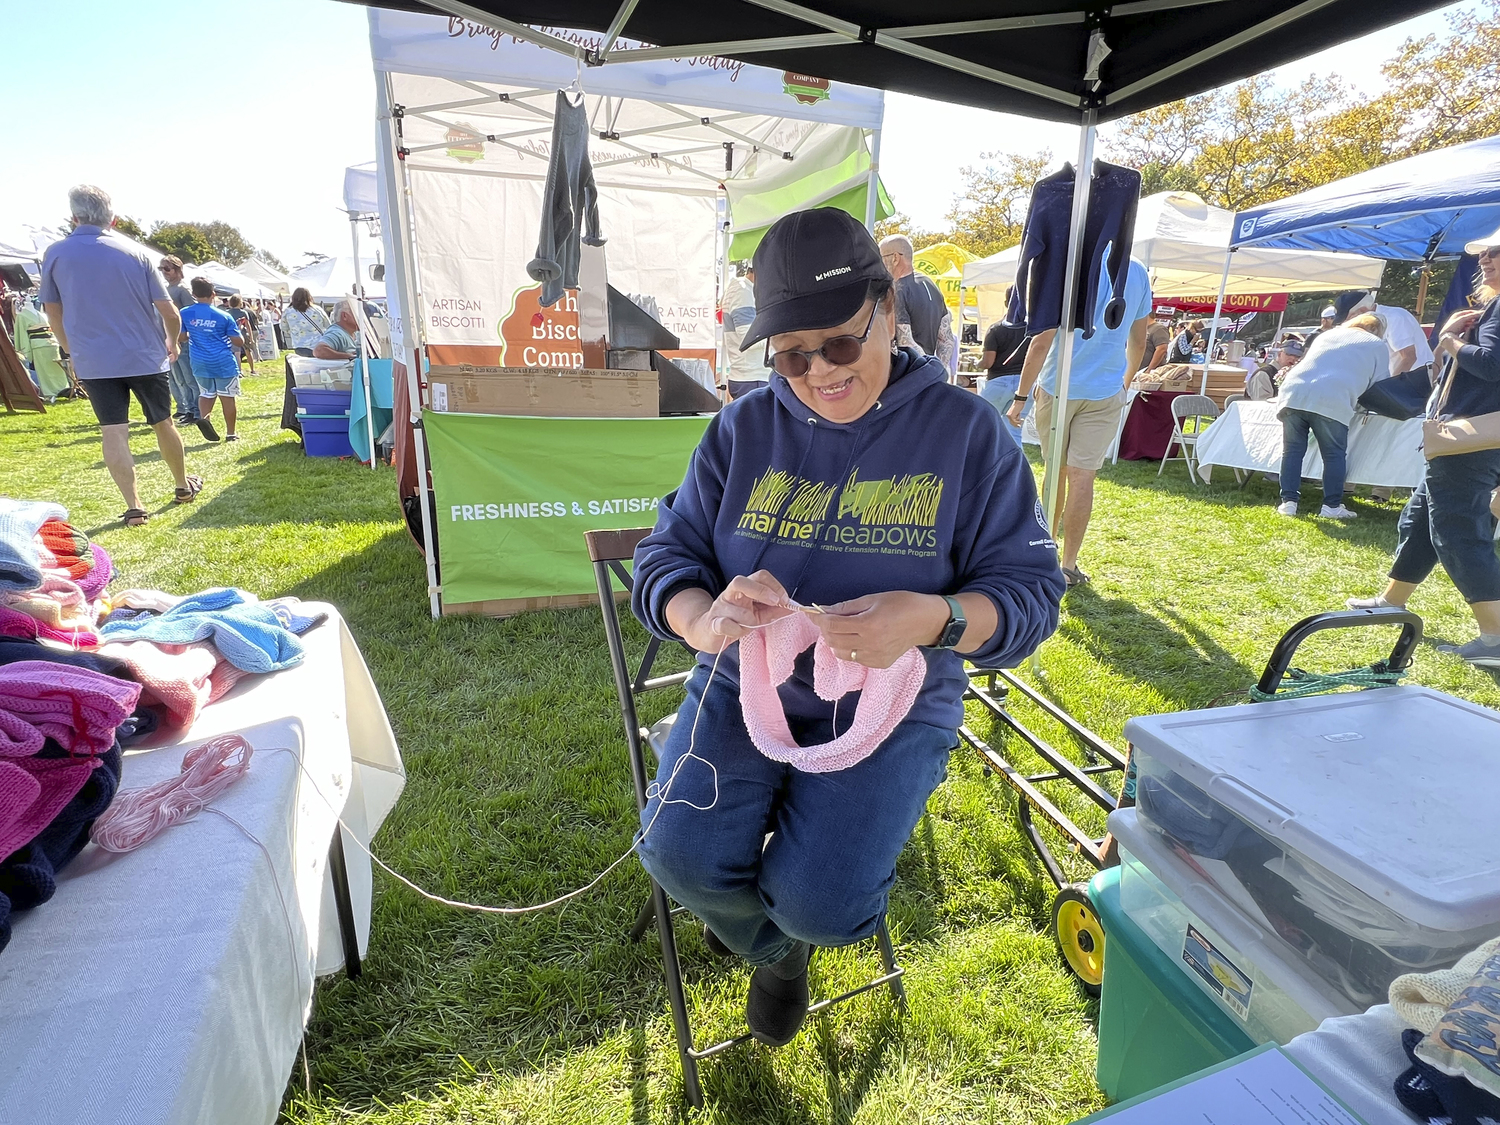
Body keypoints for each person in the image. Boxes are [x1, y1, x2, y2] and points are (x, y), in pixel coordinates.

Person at [630, 207, 1064, 1048]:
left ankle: (790, 941)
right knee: (677, 855)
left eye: (839, 344)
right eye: (792, 354)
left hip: (899, 700)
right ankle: (775, 953)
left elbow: (1032, 597)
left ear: (890, 314)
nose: (818, 373)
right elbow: (667, 554)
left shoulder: (968, 433)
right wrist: (701, 618)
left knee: (827, 907)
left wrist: (932, 617)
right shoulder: (743, 427)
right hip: (747, 677)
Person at [1347, 233, 1500, 669]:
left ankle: (1496, 634)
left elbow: (1491, 365)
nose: (1485, 259)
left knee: (1457, 531)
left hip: (1470, 437)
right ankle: (1392, 599)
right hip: (1474, 435)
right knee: (1421, 518)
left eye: (1495, 252)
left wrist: (1450, 341)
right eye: (1484, 252)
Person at [38, 185, 201, 526]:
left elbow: (52, 312)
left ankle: (134, 506)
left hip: (94, 359)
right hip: (144, 354)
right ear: (112, 218)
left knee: (113, 431)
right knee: (163, 422)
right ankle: (182, 486)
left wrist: (70, 350)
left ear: (74, 216)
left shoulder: (55, 253)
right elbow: (169, 311)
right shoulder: (135, 253)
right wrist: (172, 341)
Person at [1007, 256, 1153, 588]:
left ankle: (1044, 555)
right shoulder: (1137, 270)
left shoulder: (1069, 260)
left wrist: (1020, 396)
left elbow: (1041, 341)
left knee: (1054, 472)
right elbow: (1139, 341)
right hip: (1104, 389)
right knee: (1083, 478)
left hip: (1058, 387)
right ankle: (1069, 565)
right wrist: (1124, 382)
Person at [1274, 313, 1389, 520]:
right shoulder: (1377, 344)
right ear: (1377, 330)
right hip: (1333, 398)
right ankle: (1332, 506)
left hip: (1294, 392)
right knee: (1334, 455)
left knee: (1291, 451)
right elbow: (1381, 384)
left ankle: (1288, 502)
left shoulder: (1328, 335)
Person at [179, 277, 245, 442]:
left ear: (193, 294)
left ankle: (205, 419)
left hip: (199, 360)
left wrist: (196, 332)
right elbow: (238, 341)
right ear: (213, 294)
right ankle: (231, 433)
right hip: (223, 361)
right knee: (227, 396)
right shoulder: (224, 315)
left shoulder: (185, 313)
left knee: (206, 393)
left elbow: (181, 337)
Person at [879, 235, 955, 375]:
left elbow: (906, 343)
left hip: (906, 376)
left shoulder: (897, 290)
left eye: (881, 257)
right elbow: (946, 338)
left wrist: (927, 370)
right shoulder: (931, 284)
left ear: (895, 258)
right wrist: (939, 371)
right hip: (926, 375)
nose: (880, 264)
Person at [978, 298, 1028, 446]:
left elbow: (988, 362)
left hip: (998, 381)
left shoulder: (996, 329)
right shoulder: (1032, 331)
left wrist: (977, 363)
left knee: (983, 425)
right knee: (1014, 432)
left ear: (1006, 302)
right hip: (1024, 383)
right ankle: (1016, 466)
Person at [159, 256, 201, 424]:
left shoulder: (182, 289)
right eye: (161, 268)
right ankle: (187, 408)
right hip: (169, 339)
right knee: (178, 379)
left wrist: (183, 335)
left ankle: (196, 411)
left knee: (189, 379)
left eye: (167, 268)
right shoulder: (166, 289)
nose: (163, 272)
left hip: (182, 340)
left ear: (177, 270)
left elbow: (193, 314)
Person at [720, 264, 767, 399]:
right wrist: (783, 337)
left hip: (752, 378)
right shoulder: (743, 292)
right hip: (752, 379)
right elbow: (749, 340)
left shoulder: (745, 290)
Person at [1141, 306, 1173, 371]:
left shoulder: (1158, 329)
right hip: (1139, 372)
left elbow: (1161, 349)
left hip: (1151, 374)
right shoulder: (1142, 329)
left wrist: (1149, 370)